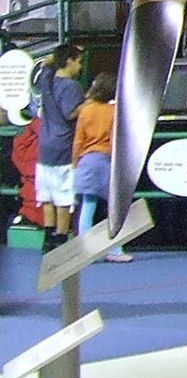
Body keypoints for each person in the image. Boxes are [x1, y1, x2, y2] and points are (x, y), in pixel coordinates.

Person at [72, 72, 130, 261]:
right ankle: (115, 251)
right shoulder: (114, 112)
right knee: (112, 209)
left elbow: (78, 141)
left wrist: (75, 164)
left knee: (87, 207)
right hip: (106, 161)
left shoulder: (85, 111)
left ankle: (85, 251)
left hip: (86, 161)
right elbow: (115, 141)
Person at [31, 43, 82, 242]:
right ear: (68, 61)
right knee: (63, 197)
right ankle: (60, 239)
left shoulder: (47, 81)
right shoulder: (71, 86)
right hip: (63, 147)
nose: (79, 67)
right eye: (77, 61)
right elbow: (70, 113)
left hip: (44, 147)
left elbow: (45, 64)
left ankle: (48, 238)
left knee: (47, 196)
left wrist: (54, 57)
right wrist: (89, 103)